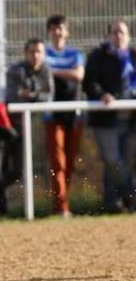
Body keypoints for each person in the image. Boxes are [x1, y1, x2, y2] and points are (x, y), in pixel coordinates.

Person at [0, 38, 54, 216]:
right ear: (26, 53)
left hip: (25, 122)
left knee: (16, 171)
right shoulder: (16, 70)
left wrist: (31, 95)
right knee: (6, 170)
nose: (35, 55)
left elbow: (49, 96)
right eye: (32, 51)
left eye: (39, 51)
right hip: (7, 125)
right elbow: (15, 97)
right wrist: (36, 96)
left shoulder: (46, 69)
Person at [83, 19, 136, 213]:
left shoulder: (133, 56)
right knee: (113, 160)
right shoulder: (98, 56)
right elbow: (89, 82)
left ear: (128, 36)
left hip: (131, 119)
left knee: (125, 163)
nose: (118, 36)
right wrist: (102, 94)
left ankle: (113, 203)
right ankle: (131, 196)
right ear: (108, 36)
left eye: (122, 32)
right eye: (114, 32)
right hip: (106, 119)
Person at [44, 15, 85, 218]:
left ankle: (60, 203)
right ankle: (62, 207)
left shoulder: (75, 53)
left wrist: (54, 71)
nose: (57, 32)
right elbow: (42, 73)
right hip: (52, 114)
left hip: (74, 113)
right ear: (49, 32)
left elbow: (79, 75)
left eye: (60, 28)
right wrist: (64, 72)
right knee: (58, 161)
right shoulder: (45, 53)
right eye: (53, 28)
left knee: (69, 162)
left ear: (66, 32)